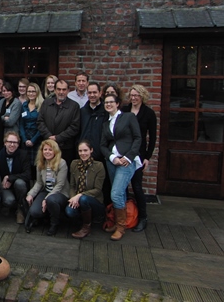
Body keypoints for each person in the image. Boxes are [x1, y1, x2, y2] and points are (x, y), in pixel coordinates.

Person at [100, 94, 142, 241]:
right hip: (112, 162)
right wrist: (112, 157)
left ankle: (120, 227)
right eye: (106, 102)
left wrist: (128, 157)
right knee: (121, 193)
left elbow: (138, 138)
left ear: (117, 104)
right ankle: (118, 223)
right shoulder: (106, 123)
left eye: (111, 102)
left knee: (116, 193)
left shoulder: (128, 117)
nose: (108, 104)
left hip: (126, 162)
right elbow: (102, 145)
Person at [122, 84, 157, 232]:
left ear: (142, 96)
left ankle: (143, 217)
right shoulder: (124, 110)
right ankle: (123, 217)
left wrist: (147, 157)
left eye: (136, 95)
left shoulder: (149, 113)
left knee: (136, 186)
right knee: (122, 186)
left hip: (139, 155)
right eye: (132, 95)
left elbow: (153, 137)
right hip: (124, 152)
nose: (134, 98)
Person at [25, 139, 69, 236]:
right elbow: (39, 183)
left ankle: (54, 224)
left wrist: (46, 199)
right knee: (34, 211)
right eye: (45, 149)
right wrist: (30, 194)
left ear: (55, 151)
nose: (47, 152)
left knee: (51, 200)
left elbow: (60, 185)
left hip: (60, 193)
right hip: (46, 191)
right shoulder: (40, 164)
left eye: (50, 149)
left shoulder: (62, 163)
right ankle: (45, 217)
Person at [65, 140, 106, 239]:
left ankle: (86, 227)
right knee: (69, 211)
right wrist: (73, 198)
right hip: (78, 198)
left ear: (91, 150)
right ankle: (83, 219)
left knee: (84, 199)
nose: (83, 153)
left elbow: (97, 190)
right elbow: (72, 186)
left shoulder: (98, 166)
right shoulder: (74, 164)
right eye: (80, 151)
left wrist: (79, 195)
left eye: (85, 150)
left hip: (94, 200)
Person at [37, 79, 80, 166]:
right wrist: (49, 136)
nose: (61, 92)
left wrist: (58, 138)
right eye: (59, 89)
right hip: (48, 146)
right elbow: (40, 121)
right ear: (55, 90)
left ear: (68, 90)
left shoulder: (74, 106)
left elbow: (74, 127)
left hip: (65, 147)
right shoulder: (46, 103)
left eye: (64, 89)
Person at [0, 132, 31, 224]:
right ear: (5, 143)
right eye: (10, 142)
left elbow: (28, 174)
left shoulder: (23, 155)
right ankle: (7, 206)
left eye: (15, 142)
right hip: (5, 187)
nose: (12, 145)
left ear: (18, 144)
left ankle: (20, 209)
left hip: (19, 185)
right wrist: (3, 183)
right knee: (9, 201)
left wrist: (9, 177)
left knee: (20, 183)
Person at [79, 81, 107, 160]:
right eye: (89, 93)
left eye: (94, 92)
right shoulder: (82, 111)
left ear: (100, 93)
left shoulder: (106, 112)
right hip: (83, 154)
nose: (92, 95)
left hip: (100, 154)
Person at [19, 82, 43, 172]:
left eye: (33, 91)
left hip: (37, 138)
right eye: (29, 91)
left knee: (36, 164)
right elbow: (21, 123)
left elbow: (42, 125)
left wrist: (33, 140)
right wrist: (24, 139)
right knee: (25, 164)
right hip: (25, 138)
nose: (31, 93)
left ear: (37, 92)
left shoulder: (42, 106)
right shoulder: (24, 105)